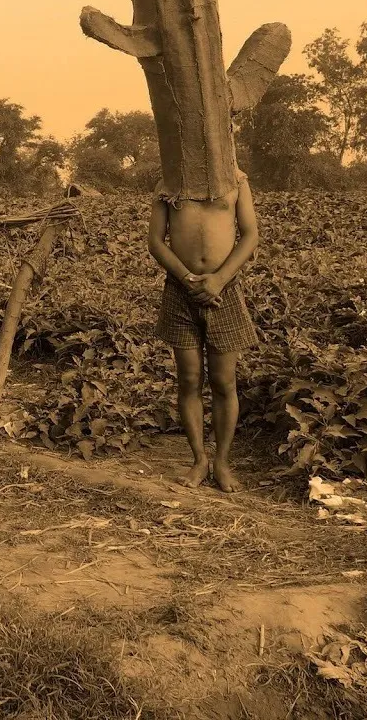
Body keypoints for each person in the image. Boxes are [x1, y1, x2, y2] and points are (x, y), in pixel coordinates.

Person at [146, 169, 260, 492]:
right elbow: (155, 241)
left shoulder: (236, 180)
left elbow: (250, 235)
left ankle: (222, 462)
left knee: (224, 381)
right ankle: (199, 459)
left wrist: (219, 279)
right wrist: (186, 278)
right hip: (180, 291)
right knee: (189, 379)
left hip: (224, 289)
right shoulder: (169, 183)